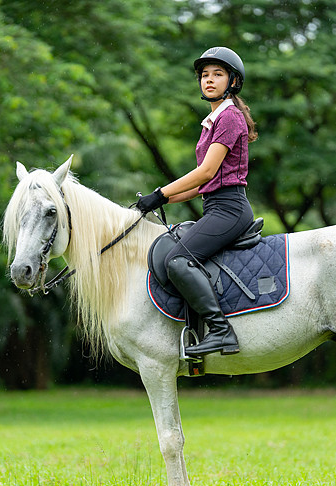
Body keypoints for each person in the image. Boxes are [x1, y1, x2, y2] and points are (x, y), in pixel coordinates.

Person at [137, 46, 258, 357]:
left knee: (178, 260)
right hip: (216, 205)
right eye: (205, 75)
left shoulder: (229, 117)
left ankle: (221, 332)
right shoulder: (213, 120)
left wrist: (161, 192)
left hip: (230, 209)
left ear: (233, 81)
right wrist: (158, 201)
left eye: (218, 74)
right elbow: (203, 183)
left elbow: (205, 170)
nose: (209, 80)